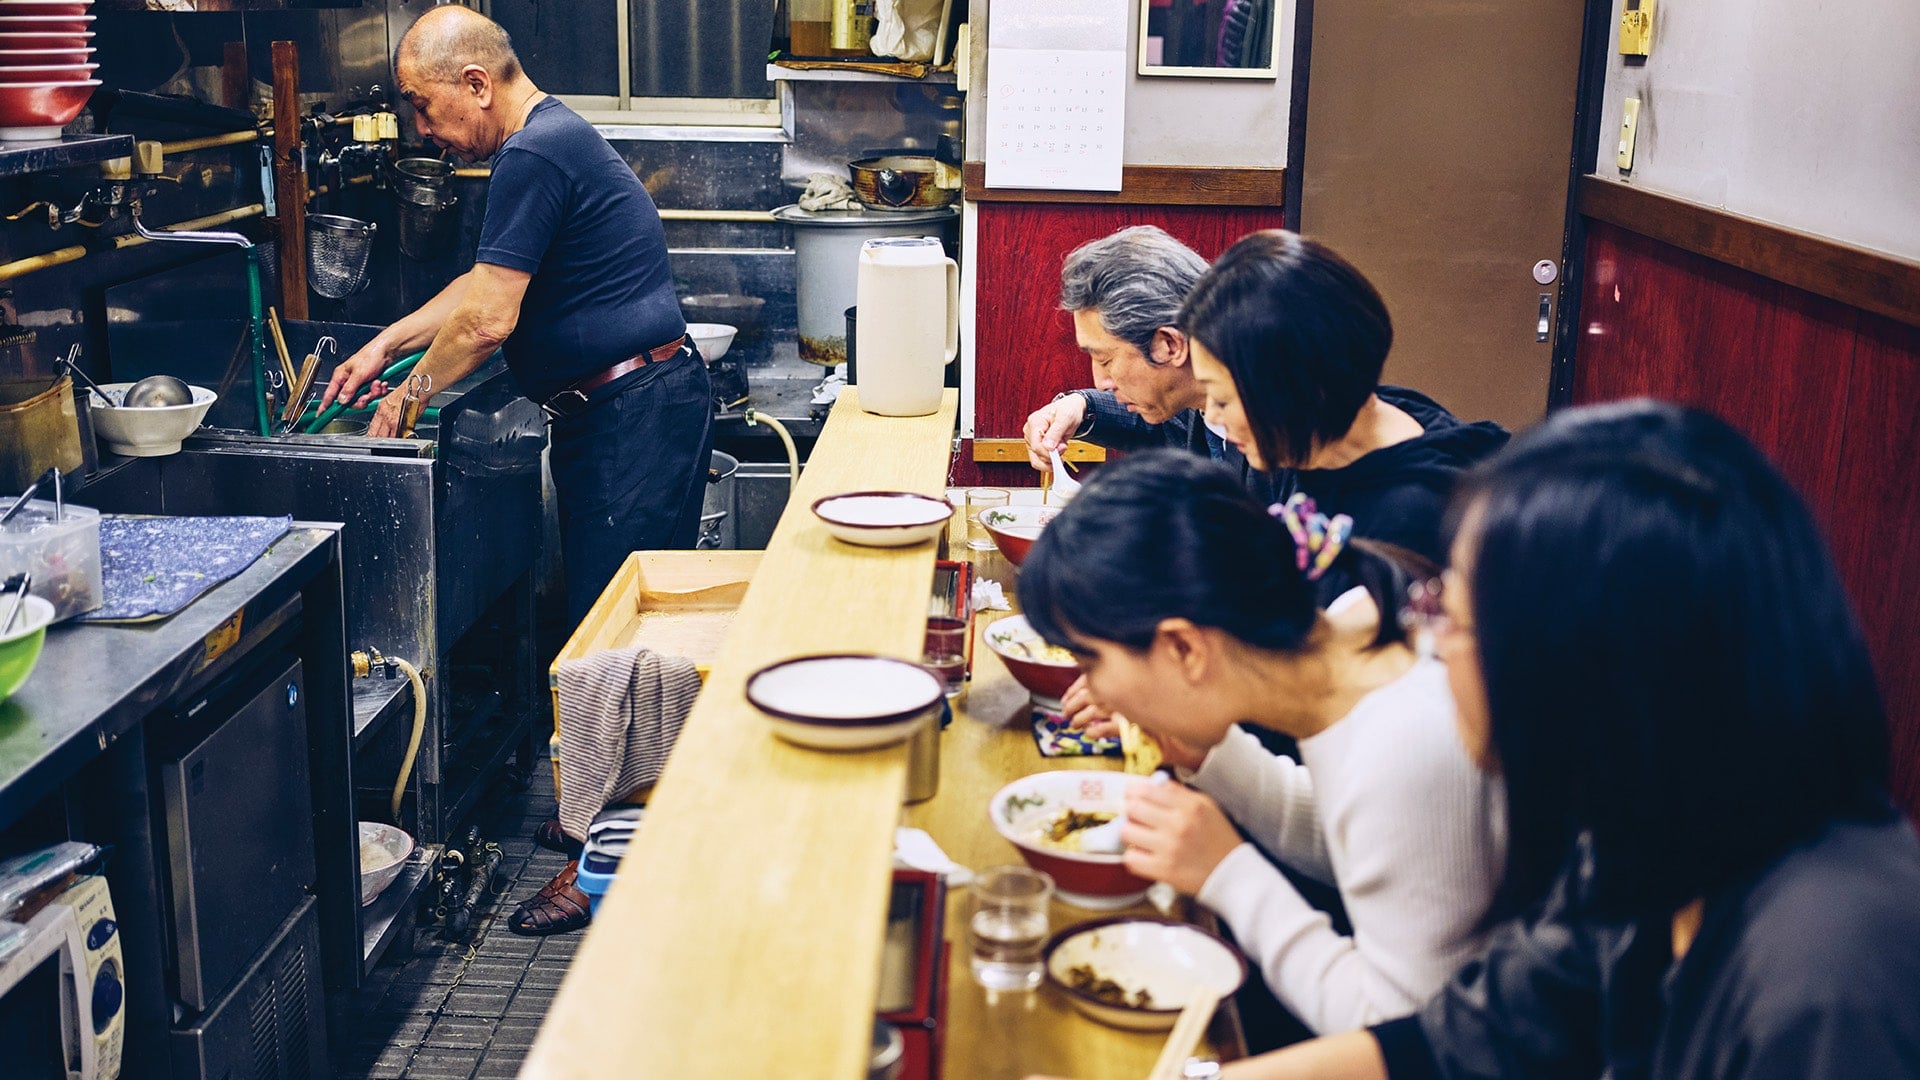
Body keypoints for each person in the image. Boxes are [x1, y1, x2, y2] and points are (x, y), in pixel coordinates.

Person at [1036, 401, 1920, 1080]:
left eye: (1451, 616)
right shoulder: (1646, 850)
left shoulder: (1832, 967)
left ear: (1594, 659)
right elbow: (1455, 1039)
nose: (1425, 645)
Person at [322, 7, 713, 936]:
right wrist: (386, 346)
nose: (423, 129)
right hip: (621, 414)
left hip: (634, 419)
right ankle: (600, 816)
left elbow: (491, 323)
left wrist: (407, 399)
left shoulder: (535, 154)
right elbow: (480, 291)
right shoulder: (545, 142)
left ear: (475, 84)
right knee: (599, 635)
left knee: (611, 647)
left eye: (424, 107)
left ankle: (602, 864)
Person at [1018, 450, 1505, 1035]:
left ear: (1184, 649)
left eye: (1089, 660)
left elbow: (1402, 1036)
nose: (1089, 687)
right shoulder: (1348, 638)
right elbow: (1355, 842)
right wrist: (1214, 760)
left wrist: (1227, 872)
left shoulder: (1403, 741)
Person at [1179, 230, 1507, 569]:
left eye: (1222, 399)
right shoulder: (1321, 442)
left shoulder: (1408, 521)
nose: (1215, 418)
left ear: (1293, 386)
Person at [1020, 225, 1279, 503]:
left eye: (1105, 359)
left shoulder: (1282, 424)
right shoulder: (1197, 399)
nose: (1100, 381)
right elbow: (1163, 423)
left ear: (1169, 344)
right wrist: (1079, 406)